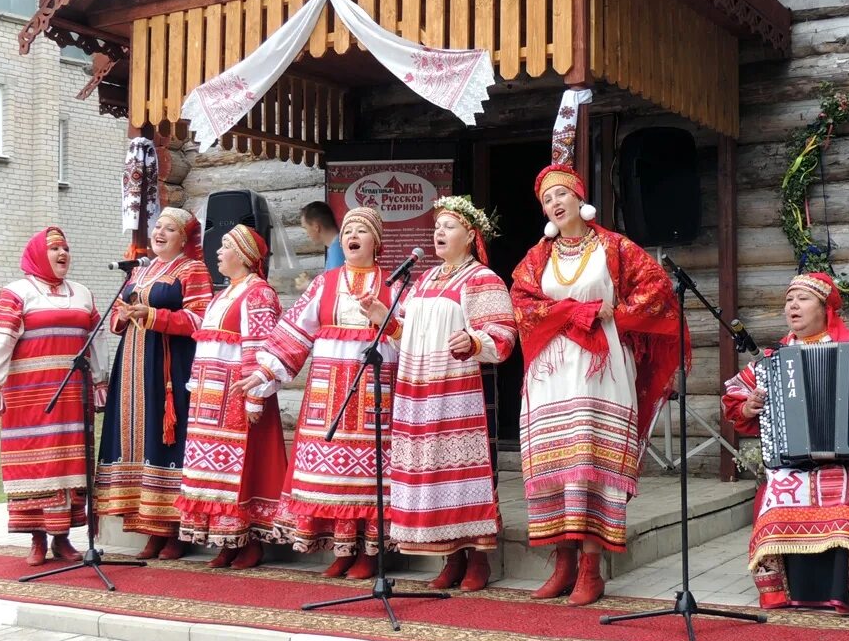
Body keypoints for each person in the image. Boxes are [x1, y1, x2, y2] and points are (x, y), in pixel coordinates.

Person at [510, 165, 690, 606]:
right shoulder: (538, 256)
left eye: (561, 194)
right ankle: (563, 562)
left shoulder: (615, 247)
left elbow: (658, 290)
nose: (555, 202)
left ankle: (591, 567)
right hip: (553, 369)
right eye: (547, 198)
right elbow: (521, 300)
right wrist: (571, 313)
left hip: (602, 366)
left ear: (578, 199)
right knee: (556, 463)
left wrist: (619, 312)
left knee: (591, 458)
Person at [722, 272, 849, 615]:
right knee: (779, 492)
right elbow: (733, 401)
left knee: (842, 490)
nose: (792, 307)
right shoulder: (772, 360)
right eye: (788, 300)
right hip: (791, 460)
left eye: (802, 299)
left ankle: (844, 590)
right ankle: (785, 590)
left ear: (826, 308)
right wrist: (749, 406)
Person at [361, 196, 516, 592]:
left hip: (460, 390)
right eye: (436, 227)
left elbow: (503, 335)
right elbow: (405, 335)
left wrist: (473, 340)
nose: (439, 233)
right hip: (418, 392)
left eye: (448, 226)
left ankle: (478, 557)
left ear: (470, 235)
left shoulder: (483, 279)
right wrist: (385, 319)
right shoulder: (425, 280)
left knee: (464, 475)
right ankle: (449, 555)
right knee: (433, 474)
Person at [242, 207, 397, 578]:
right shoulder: (325, 283)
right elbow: (294, 333)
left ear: (376, 241)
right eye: (347, 231)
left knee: (370, 474)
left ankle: (370, 553)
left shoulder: (392, 283)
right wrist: (264, 371)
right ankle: (342, 550)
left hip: (375, 394)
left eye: (361, 230)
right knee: (334, 473)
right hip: (328, 398)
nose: (352, 236)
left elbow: (408, 336)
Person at [0, 227, 108, 566]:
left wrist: (98, 379)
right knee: (36, 464)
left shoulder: (81, 293)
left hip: (71, 397)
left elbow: (96, 339)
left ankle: (63, 537)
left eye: (66, 248)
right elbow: (0, 339)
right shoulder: (16, 293)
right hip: (29, 397)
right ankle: (37, 537)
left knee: (70, 464)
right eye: (54, 249)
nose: (63, 254)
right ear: (37, 253)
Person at [96, 207, 213, 561]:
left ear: (183, 238)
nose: (159, 232)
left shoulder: (192, 270)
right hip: (132, 361)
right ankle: (145, 523)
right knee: (136, 436)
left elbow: (200, 318)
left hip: (168, 364)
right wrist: (124, 314)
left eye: (169, 229)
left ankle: (174, 527)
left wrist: (153, 315)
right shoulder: (141, 271)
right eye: (157, 226)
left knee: (166, 437)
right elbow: (119, 309)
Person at [176, 225, 286, 569]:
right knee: (214, 467)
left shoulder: (258, 294)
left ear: (243, 254)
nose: (218, 252)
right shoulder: (224, 293)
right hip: (211, 397)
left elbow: (260, 346)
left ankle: (248, 540)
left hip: (238, 394)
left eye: (225, 246)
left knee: (242, 467)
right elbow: (208, 343)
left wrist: (255, 397)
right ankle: (224, 540)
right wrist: (196, 385)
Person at [301, 200, 343, 271]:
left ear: (316, 227)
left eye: (305, 228)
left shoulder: (337, 251)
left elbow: (335, 281)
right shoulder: (337, 246)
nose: (307, 234)